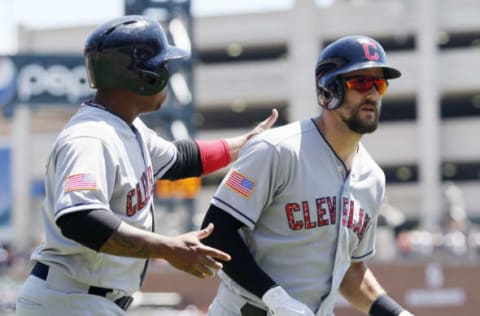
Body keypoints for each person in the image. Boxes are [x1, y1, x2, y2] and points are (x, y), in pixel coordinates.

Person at [15, 15, 278, 316]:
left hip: (85, 300)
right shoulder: (90, 138)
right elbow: (79, 218)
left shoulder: (127, 127)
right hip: (69, 300)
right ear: (144, 76)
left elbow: (181, 160)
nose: (167, 73)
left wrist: (247, 143)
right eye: (162, 66)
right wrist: (167, 247)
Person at [201, 35, 414, 316]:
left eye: (379, 84)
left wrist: (397, 313)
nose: (372, 94)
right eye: (361, 82)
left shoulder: (373, 178)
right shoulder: (276, 149)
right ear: (329, 90)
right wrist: (275, 297)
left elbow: (350, 272)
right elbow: (215, 234)